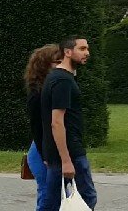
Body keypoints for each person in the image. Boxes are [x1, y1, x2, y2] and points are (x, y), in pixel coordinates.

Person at [41, 36, 96, 211]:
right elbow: (56, 122)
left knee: (55, 201)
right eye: (82, 49)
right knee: (86, 198)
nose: (87, 53)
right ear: (67, 52)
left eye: (87, 49)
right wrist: (66, 160)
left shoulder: (57, 77)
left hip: (59, 152)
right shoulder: (62, 81)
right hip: (70, 152)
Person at [25, 44, 62, 211]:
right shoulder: (37, 95)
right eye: (57, 62)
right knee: (48, 197)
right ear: (44, 66)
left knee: (55, 196)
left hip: (53, 149)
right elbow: (37, 129)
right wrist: (45, 155)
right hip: (42, 151)